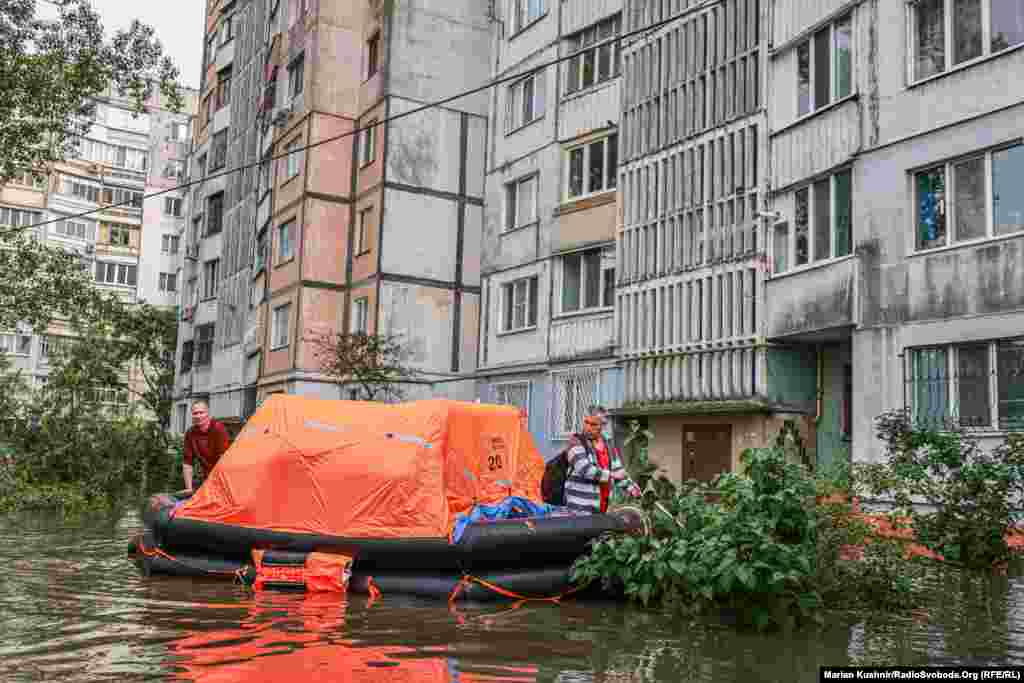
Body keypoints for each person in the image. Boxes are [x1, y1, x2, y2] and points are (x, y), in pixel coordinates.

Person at [563, 411, 641, 514]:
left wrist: (632, 488)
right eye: (586, 422)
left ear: (602, 426)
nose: (588, 427)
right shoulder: (576, 442)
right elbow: (585, 470)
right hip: (580, 507)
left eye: (593, 424)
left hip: (603, 505)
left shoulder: (607, 443)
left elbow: (618, 470)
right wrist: (612, 475)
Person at [182, 400, 230, 492]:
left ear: (208, 413)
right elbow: (187, 463)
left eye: (201, 412)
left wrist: (218, 485)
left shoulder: (218, 429)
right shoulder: (190, 433)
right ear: (192, 415)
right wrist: (189, 489)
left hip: (223, 476)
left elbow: (223, 460)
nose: (199, 416)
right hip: (207, 477)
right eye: (195, 413)